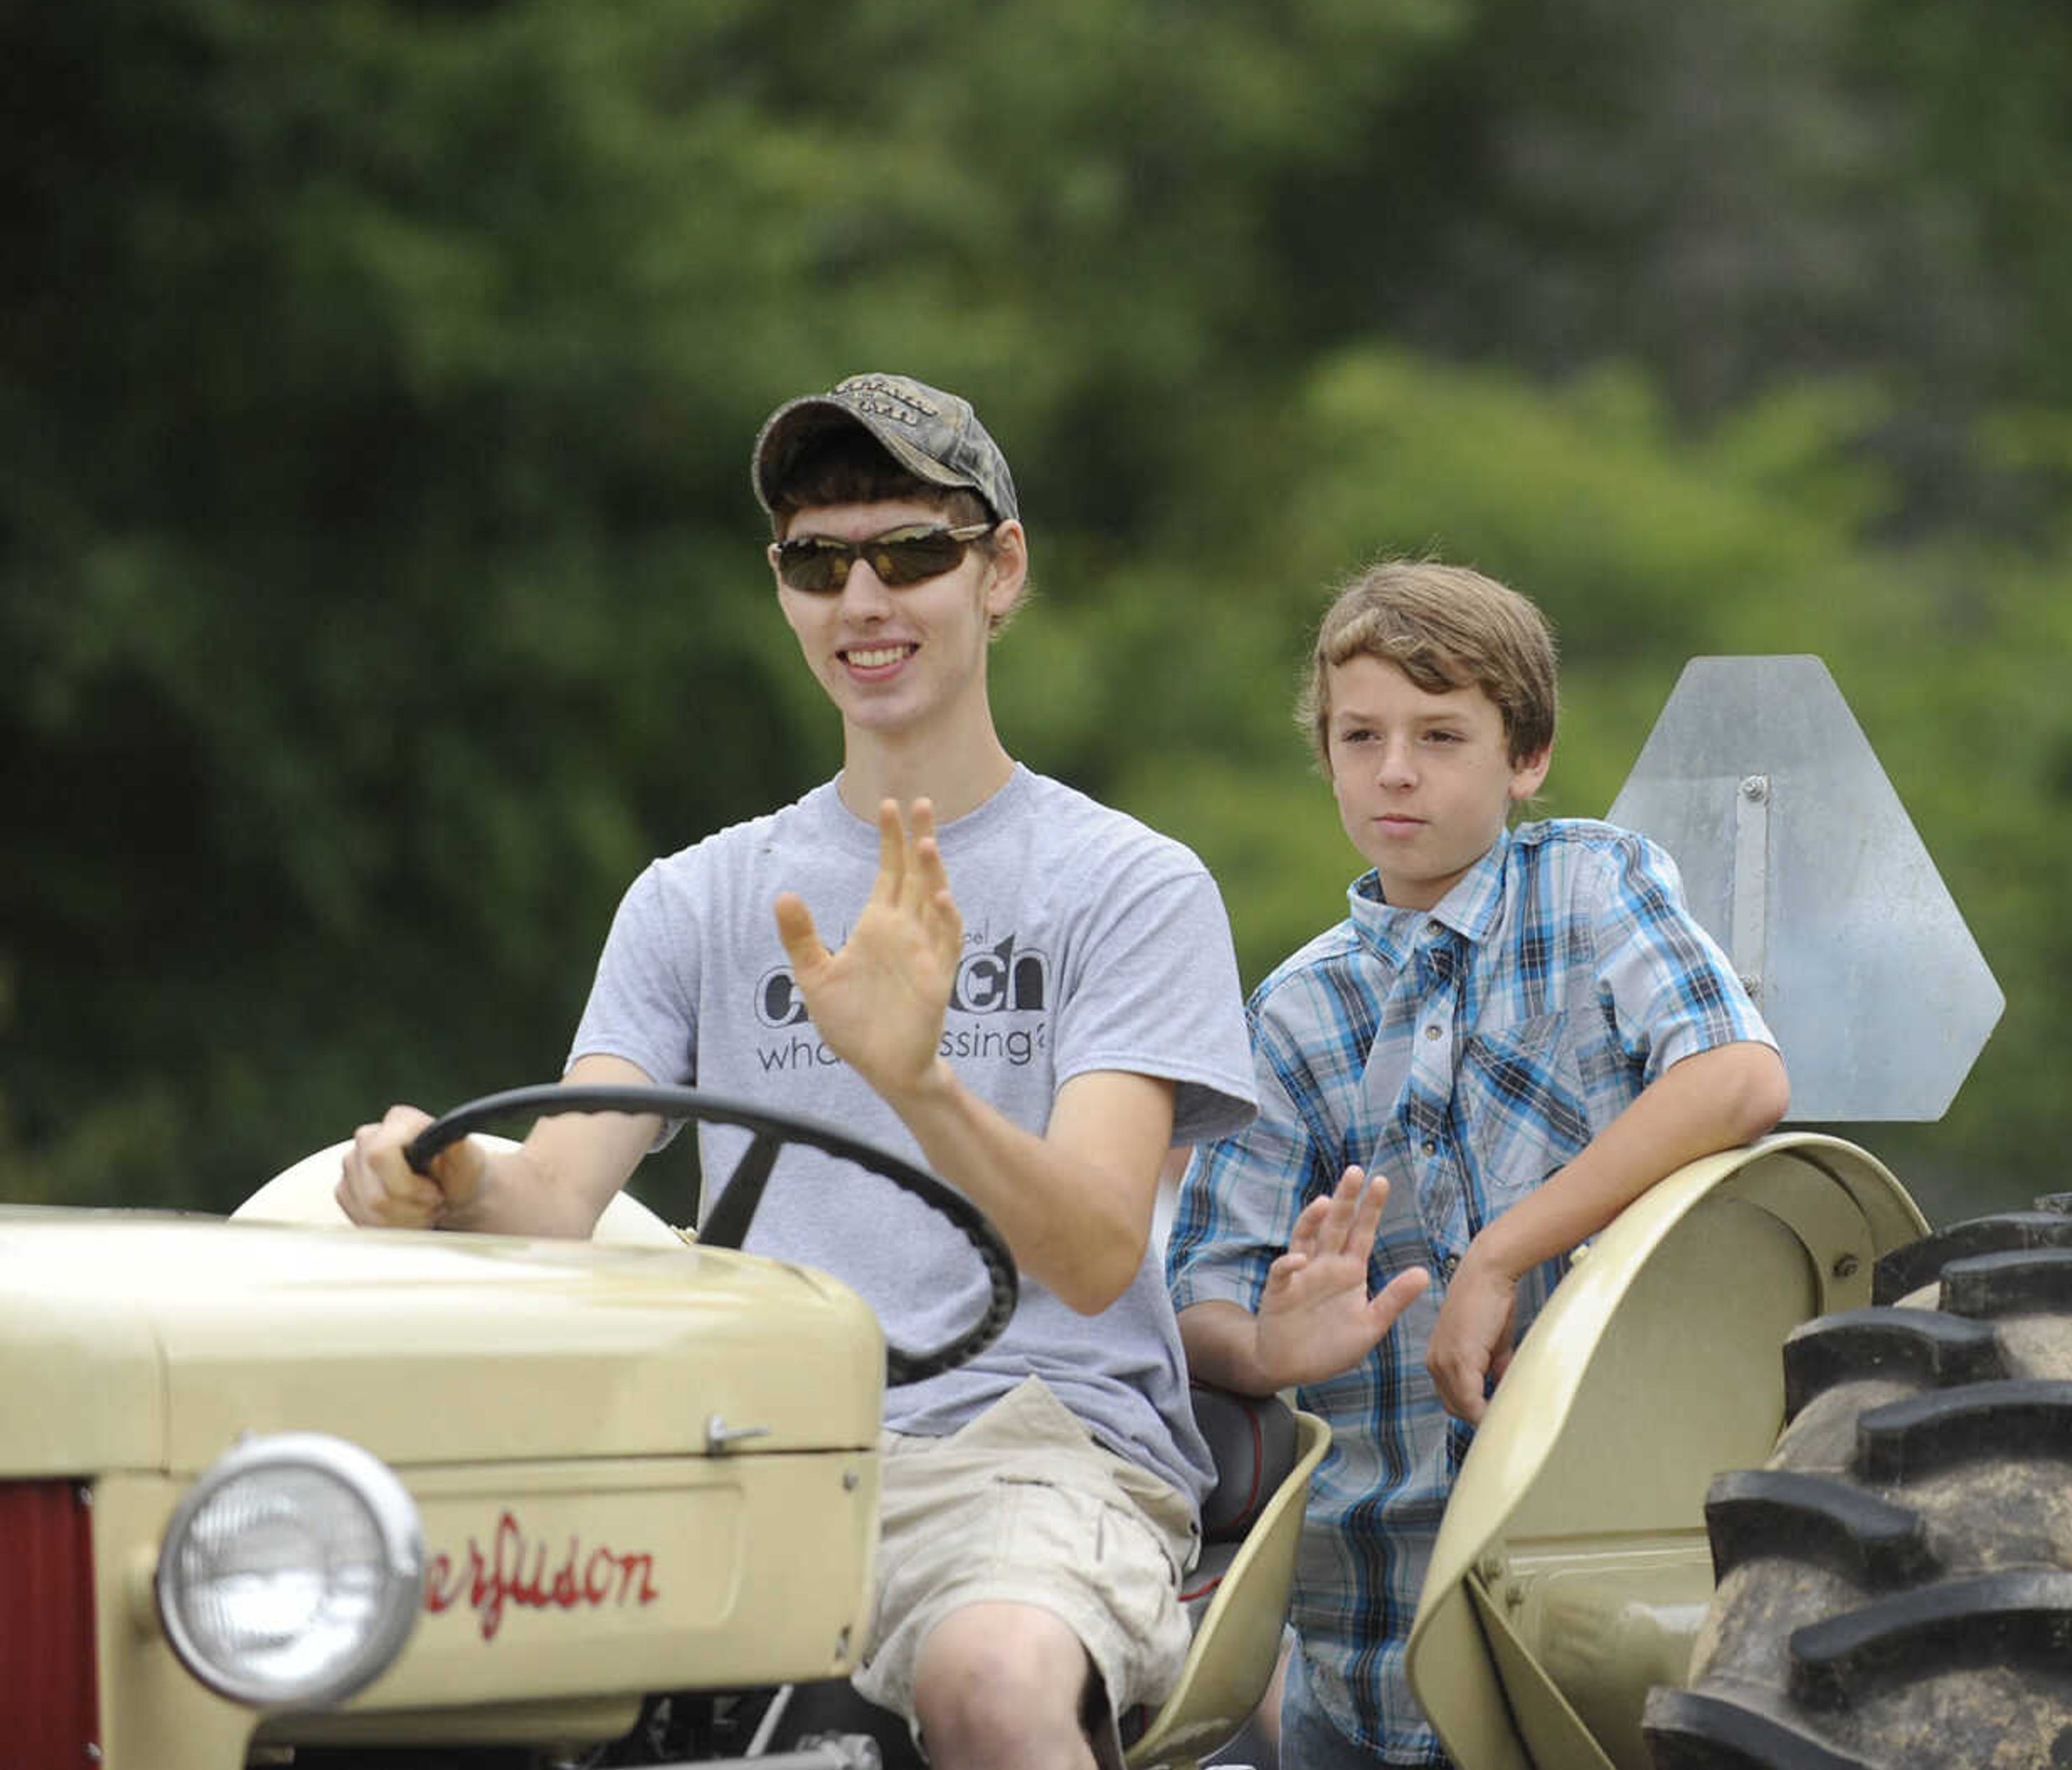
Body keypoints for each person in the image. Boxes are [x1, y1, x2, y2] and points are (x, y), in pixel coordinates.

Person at [337, 373, 1257, 1770]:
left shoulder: (1130, 885)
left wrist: (919, 1078)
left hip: (1028, 1453)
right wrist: (437, 1175)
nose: (864, 600)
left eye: (912, 552)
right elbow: (551, 1207)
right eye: (820, 563)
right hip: (735, 1453)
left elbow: (1091, 1249)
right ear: (783, 593)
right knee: (389, 1649)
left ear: (1000, 570)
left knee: (999, 1682)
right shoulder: (698, 896)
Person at [1168, 557, 1791, 1768]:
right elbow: (1201, 1291)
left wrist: (1502, 1252)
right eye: (1362, 735)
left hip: (1606, 1623)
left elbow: (1737, 1076)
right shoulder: (1297, 1010)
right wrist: (1271, 1346)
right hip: (1368, 1635)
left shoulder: (1590, 887)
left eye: (1441, 733)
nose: (1395, 768)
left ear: (1526, 756)